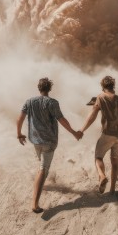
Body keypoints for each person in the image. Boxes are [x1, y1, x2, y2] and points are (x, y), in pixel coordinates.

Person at [16, 77, 82, 213]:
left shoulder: (29, 101)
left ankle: (43, 181)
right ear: (49, 89)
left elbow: (20, 118)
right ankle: (34, 203)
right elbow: (62, 120)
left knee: (42, 165)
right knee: (43, 169)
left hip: (35, 140)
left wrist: (19, 134)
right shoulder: (52, 103)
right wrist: (74, 133)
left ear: (39, 88)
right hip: (49, 141)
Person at [80, 76, 118, 194]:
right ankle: (112, 190)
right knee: (115, 162)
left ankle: (102, 176)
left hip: (108, 133)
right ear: (113, 86)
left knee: (98, 157)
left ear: (102, 86)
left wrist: (82, 130)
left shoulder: (100, 97)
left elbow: (92, 116)